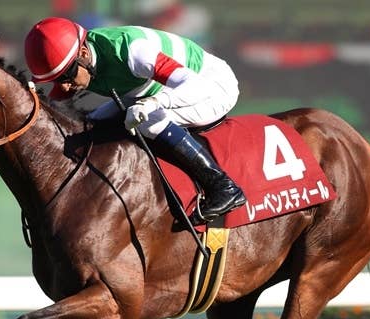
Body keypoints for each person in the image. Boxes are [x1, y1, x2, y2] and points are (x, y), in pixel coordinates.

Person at [24, 17, 246, 222]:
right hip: (155, 90)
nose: (64, 86)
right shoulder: (80, 59)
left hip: (211, 87)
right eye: (55, 80)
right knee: (91, 122)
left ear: (83, 53)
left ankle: (223, 186)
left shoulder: (132, 52)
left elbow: (195, 86)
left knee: (148, 120)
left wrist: (153, 103)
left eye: (66, 76)